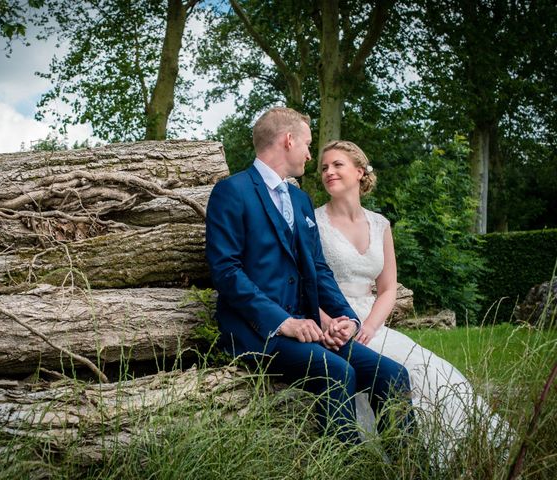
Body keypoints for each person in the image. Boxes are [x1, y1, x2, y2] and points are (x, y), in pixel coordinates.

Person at [205, 107, 414, 445]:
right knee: (337, 371)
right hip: (257, 332)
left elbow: (317, 268)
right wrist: (283, 322)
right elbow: (226, 272)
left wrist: (345, 319)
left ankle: (405, 466)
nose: (308, 154)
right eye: (306, 144)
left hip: (310, 327)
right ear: (288, 140)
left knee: (393, 374)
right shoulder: (232, 191)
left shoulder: (301, 200)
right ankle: (349, 467)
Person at [316, 139, 507, 457]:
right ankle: (398, 452)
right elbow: (308, 282)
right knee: (396, 371)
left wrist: (371, 326)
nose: (328, 172)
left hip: (371, 321)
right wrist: (336, 323)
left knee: (434, 369)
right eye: (323, 167)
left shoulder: (379, 224)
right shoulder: (315, 222)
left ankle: (459, 448)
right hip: (332, 317)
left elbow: (388, 287)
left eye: (337, 165)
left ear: (360, 172)